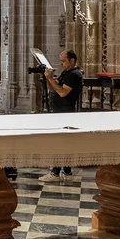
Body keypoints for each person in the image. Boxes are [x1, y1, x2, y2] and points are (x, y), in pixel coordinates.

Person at [40, 50, 84, 183]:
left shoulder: (75, 74)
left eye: (64, 61)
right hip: (60, 111)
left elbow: (62, 92)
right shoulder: (67, 73)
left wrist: (50, 78)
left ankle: (55, 172)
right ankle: (67, 170)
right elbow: (55, 87)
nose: (61, 63)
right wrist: (50, 78)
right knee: (64, 142)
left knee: (60, 142)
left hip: (66, 112)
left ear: (72, 60)